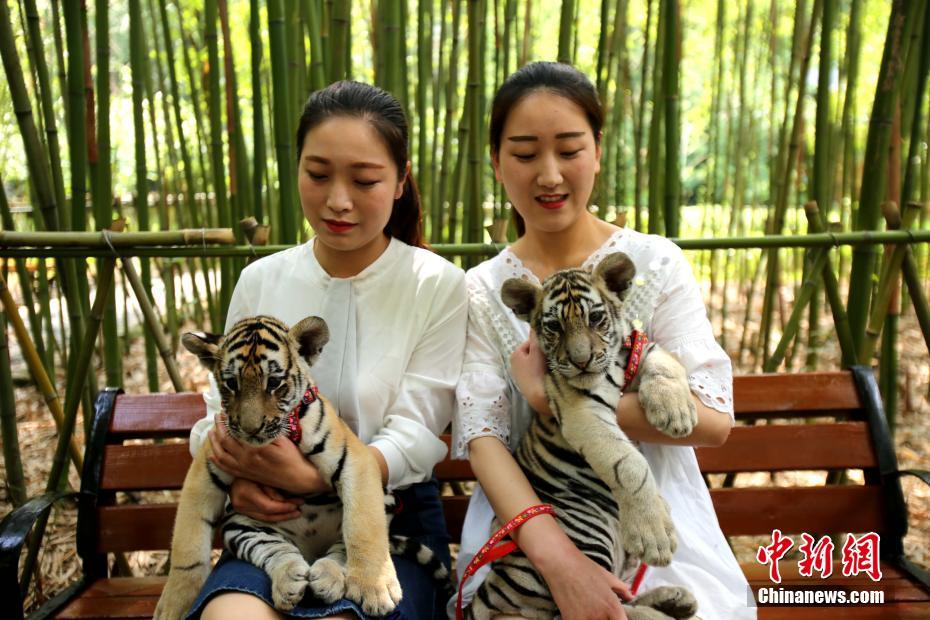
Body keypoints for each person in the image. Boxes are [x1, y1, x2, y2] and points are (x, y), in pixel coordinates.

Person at [451, 61, 755, 619]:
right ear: (495, 161)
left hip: (658, 529)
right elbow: (483, 438)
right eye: (524, 154)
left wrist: (550, 401)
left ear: (597, 150)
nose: (549, 175)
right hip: (532, 529)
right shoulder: (481, 289)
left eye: (569, 150)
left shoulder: (654, 263)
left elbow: (711, 420)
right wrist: (561, 563)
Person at [185, 80, 467, 620]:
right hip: (270, 523)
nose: (338, 200)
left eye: (365, 180)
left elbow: (418, 430)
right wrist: (240, 475)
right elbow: (222, 410)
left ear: (401, 180)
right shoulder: (260, 280)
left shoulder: (437, 284)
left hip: (389, 521)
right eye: (317, 175)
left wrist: (317, 476)